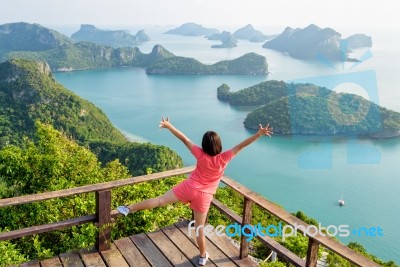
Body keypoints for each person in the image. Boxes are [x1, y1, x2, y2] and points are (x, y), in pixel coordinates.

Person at [118, 117, 273, 266]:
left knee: (160, 201)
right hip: (204, 196)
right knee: (199, 229)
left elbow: (184, 139)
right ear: (219, 145)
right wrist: (258, 134)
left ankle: (128, 208)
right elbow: (241, 146)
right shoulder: (224, 158)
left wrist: (169, 126)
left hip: (189, 188)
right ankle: (202, 256)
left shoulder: (200, 154)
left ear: (204, 145)